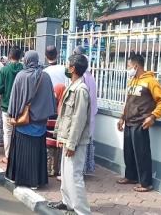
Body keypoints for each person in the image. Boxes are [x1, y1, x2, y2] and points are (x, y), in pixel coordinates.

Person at [116, 53, 161, 192]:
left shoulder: (150, 81)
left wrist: (153, 116)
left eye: (128, 66)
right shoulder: (132, 80)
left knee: (142, 153)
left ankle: (146, 183)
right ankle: (131, 176)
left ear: (136, 65)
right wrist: (122, 117)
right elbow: (128, 102)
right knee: (129, 152)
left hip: (141, 122)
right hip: (129, 121)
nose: (128, 68)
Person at [48, 54, 92, 215]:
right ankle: (67, 201)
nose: (66, 67)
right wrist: (59, 136)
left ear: (73, 68)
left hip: (75, 141)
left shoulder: (81, 90)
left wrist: (71, 143)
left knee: (74, 176)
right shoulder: (73, 86)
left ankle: (82, 211)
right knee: (65, 174)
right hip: (67, 138)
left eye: (68, 65)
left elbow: (79, 120)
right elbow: (64, 115)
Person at [5, 50, 55, 188]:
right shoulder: (45, 76)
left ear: (26, 60)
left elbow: (14, 98)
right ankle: (36, 181)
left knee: (23, 153)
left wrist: (13, 115)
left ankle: (21, 179)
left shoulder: (21, 76)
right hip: (40, 123)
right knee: (37, 153)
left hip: (24, 122)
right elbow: (50, 99)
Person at [73, 46, 98, 174]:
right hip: (90, 114)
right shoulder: (89, 75)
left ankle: (79, 170)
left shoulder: (83, 78)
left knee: (79, 143)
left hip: (83, 115)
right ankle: (83, 168)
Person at [0, 46, 23, 163]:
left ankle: (8, 156)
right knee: (20, 131)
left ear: (10, 56)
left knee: (7, 132)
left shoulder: (4, 70)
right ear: (21, 56)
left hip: (7, 106)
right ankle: (18, 155)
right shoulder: (24, 70)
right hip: (22, 107)